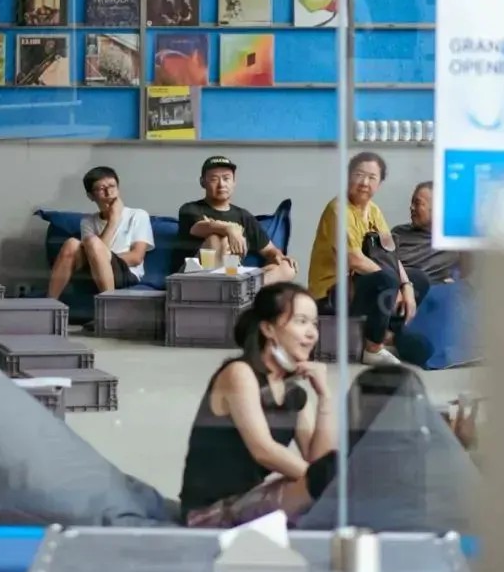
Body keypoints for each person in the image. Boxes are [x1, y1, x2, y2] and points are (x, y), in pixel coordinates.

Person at [180, 282, 337, 527]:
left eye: (314, 324)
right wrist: (323, 482)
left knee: (329, 477)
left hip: (248, 503)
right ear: (268, 328)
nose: (312, 333)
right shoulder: (239, 373)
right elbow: (263, 450)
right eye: (301, 321)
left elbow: (318, 461)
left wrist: (325, 397)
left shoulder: (293, 391)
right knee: (325, 489)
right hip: (207, 514)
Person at [308, 151, 430, 366]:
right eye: (359, 175)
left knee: (419, 279)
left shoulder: (373, 211)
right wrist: (394, 286)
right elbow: (353, 260)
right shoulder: (338, 210)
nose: (365, 183)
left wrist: (406, 286)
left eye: (372, 177)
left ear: (379, 183)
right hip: (332, 294)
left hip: (358, 285)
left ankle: (386, 333)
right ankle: (372, 349)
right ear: (348, 177)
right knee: (386, 279)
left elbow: (390, 253)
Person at [176, 156, 295, 279]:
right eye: (214, 179)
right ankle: (224, 286)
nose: (221, 184)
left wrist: (277, 255)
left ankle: (244, 287)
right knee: (217, 239)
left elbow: (270, 250)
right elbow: (197, 228)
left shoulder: (244, 216)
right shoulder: (190, 209)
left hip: (233, 274)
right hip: (192, 278)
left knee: (287, 267)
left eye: (226, 178)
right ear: (202, 182)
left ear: (234, 182)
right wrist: (229, 229)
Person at [48, 166, 154, 301]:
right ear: (91, 196)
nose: (109, 193)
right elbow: (93, 254)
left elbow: (136, 257)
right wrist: (113, 221)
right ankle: (49, 303)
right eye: (101, 189)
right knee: (71, 243)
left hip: (125, 272)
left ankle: (109, 304)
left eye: (112, 186)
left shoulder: (138, 215)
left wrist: (103, 259)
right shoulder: (88, 222)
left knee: (92, 242)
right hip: (93, 273)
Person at [391, 181, 462, 283]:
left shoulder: (452, 244)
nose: (412, 207)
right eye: (412, 203)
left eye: (417, 203)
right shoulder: (398, 233)